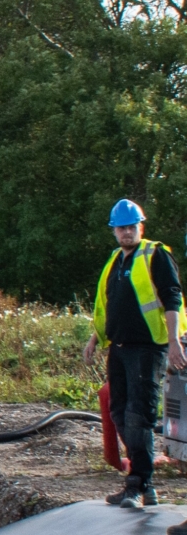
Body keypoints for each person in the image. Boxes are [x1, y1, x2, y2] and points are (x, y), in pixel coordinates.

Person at [85, 200, 186, 509]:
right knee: (118, 413)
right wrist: (94, 340)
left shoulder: (156, 255)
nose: (126, 232)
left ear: (140, 227)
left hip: (148, 348)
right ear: (114, 232)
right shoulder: (116, 260)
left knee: (137, 416)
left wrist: (173, 342)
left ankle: (137, 484)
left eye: (131, 227)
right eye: (121, 228)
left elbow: (172, 298)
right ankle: (145, 481)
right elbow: (108, 306)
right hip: (119, 347)